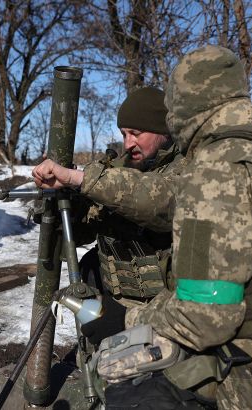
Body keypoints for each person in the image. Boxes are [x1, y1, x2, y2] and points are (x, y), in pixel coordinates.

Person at [34, 46, 252, 409]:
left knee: (134, 394)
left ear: (180, 110)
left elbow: (205, 316)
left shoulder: (217, 168)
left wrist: (125, 319)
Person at [67, 86, 184, 346]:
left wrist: (86, 180)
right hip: (114, 303)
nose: (128, 143)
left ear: (163, 131)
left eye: (136, 133)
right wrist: (73, 207)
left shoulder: (187, 168)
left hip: (166, 313)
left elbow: (156, 201)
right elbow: (85, 231)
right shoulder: (116, 171)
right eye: (123, 134)